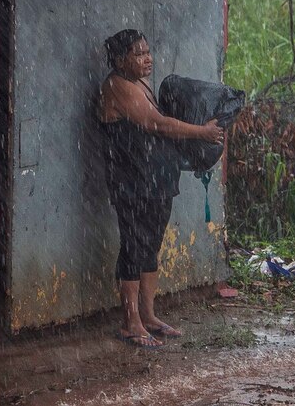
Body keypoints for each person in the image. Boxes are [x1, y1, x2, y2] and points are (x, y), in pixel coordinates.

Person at [98, 29, 224, 348]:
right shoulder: (116, 86)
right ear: (119, 60)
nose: (147, 58)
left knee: (151, 246)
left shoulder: (139, 83)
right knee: (133, 246)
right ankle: (130, 323)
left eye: (147, 51)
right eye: (138, 54)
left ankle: (149, 316)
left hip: (156, 180)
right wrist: (202, 132)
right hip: (132, 183)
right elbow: (157, 124)